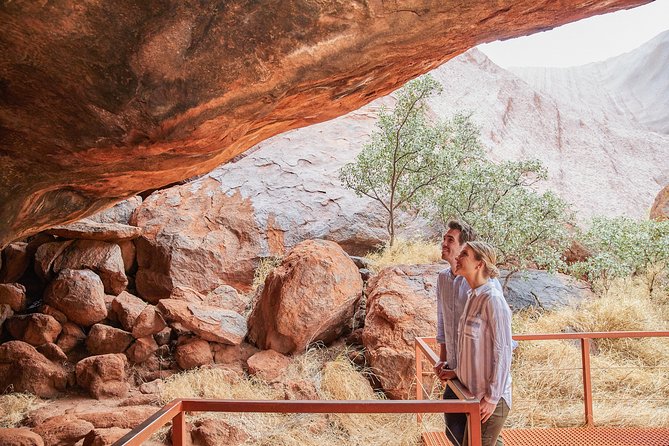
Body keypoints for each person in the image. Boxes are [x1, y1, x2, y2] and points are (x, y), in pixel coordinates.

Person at [434, 221, 502, 446]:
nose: (444, 244)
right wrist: (444, 360)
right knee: (454, 431)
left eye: (450, 240)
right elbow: (443, 322)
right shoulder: (444, 278)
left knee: (479, 438)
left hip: (482, 380)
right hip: (457, 372)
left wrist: (493, 394)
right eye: (444, 239)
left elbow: (501, 344)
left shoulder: (486, 290)